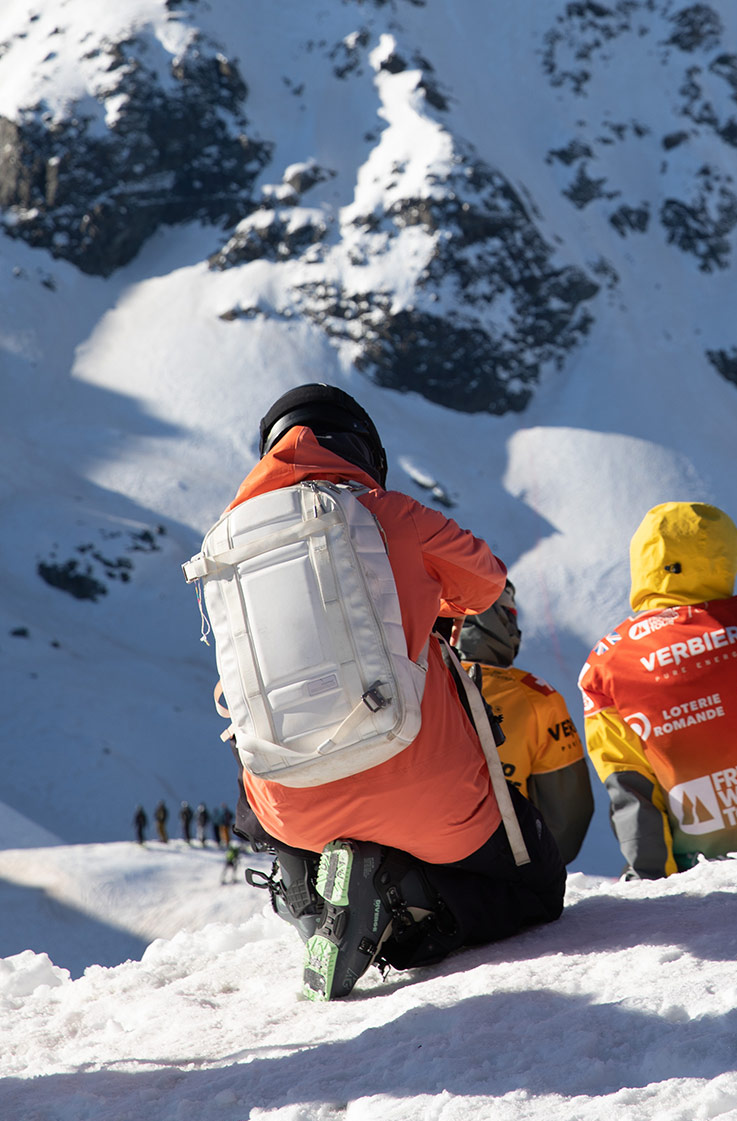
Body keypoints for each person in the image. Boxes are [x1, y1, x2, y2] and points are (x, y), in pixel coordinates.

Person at [214, 383, 564, 1000]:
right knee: (532, 890)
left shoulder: (225, 545)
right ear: (363, 451)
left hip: (289, 806)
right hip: (428, 792)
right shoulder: (390, 513)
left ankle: (309, 899)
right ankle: (399, 892)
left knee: (273, 781)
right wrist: (426, 598)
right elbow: (485, 586)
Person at [579, 501, 737, 877]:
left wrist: (653, 881)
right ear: (726, 554)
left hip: (698, 873)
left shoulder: (607, 662)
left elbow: (630, 787)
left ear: (644, 562)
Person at [455, 579, 595, 864]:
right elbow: (566, 816)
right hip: (509, 877)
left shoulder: (410, 687)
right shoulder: (538, 698)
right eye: (511, 615)